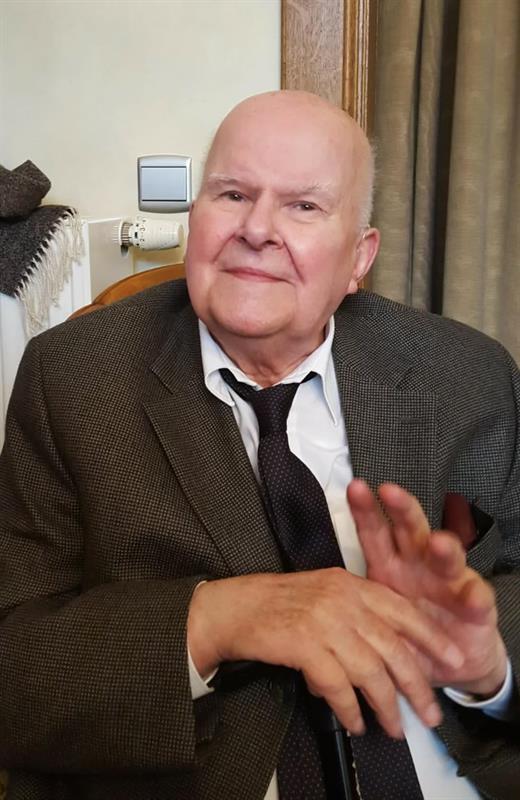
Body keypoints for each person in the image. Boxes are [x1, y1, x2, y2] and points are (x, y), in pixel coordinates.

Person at [0, 90, 518, 800]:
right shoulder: (73, 380)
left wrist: (490, 664)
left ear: (359, 257)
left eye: (303, 206)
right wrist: (220, 617)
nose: (257, 229)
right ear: (196, 220)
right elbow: (15, 663)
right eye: (233, 194)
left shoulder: (468, 374)